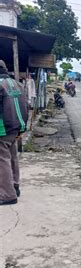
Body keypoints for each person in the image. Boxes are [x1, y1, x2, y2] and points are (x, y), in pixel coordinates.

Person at [0, 60, 28, 206]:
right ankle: (15, 186)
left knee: (2, 161)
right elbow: (25, 105)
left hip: (2, 129)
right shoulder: (17, 84)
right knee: (12, 157)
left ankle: (7, 195)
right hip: (16, 127)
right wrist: (22, 127)